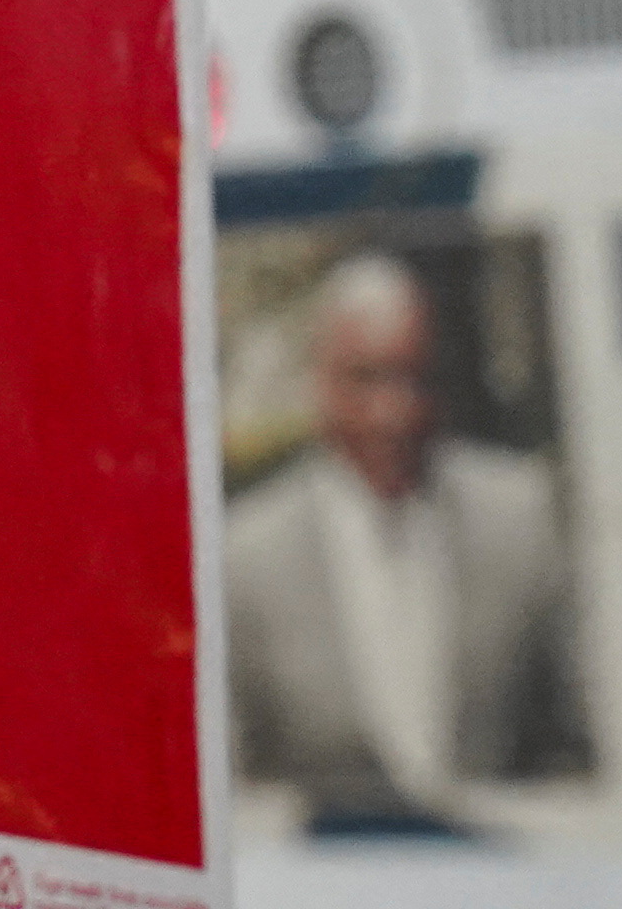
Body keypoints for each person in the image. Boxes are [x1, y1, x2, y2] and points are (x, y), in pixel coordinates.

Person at [222, 250, 595, 817]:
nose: (393, 412)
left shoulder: (519, 519)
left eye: (413, 377)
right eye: (364, 379)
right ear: (318, 380)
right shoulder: (247, 556)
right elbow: (238, 783)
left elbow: (575, 746)